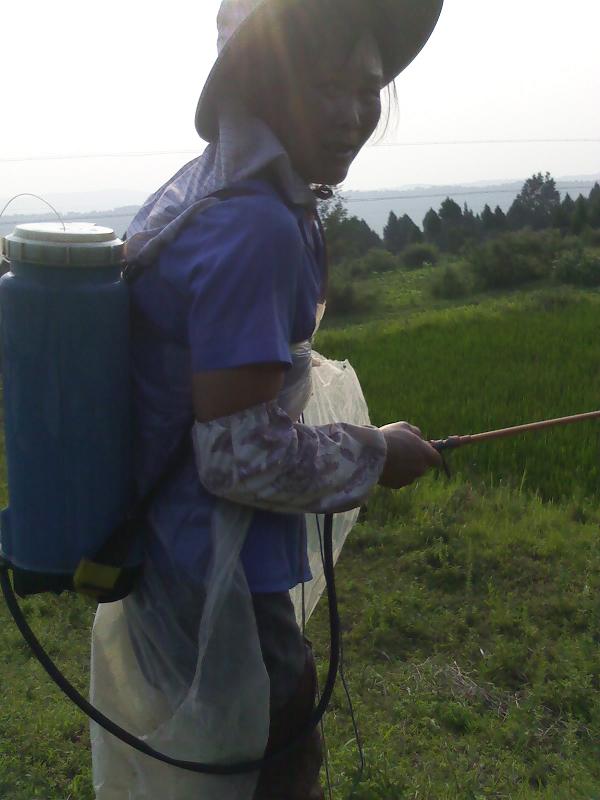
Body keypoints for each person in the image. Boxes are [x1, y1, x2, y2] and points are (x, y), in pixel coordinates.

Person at [89, 1, 444, 798]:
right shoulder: (256, 226)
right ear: (262, 80)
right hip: (220, 585)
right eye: (326, 86)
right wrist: (376, 453)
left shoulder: (201, 189)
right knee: (272, 770)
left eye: (368, 90)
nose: (354, 114)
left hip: (167, 558)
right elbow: (238, 455)